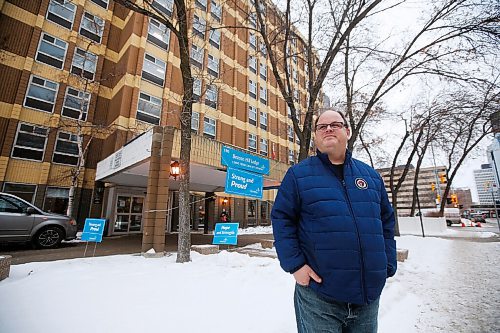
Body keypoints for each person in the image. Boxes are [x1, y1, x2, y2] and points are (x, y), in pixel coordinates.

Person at [271, 109, 397, 333]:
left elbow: (386, 222)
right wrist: (295, 265)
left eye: (335, 124)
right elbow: (282, 219)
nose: (328, 129)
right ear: (316, 137)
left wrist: (387, 263)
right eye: (322, 126)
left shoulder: (371, 177)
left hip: (368, 298)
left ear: (347, 131)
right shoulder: (298, 175)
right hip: (319, 297)